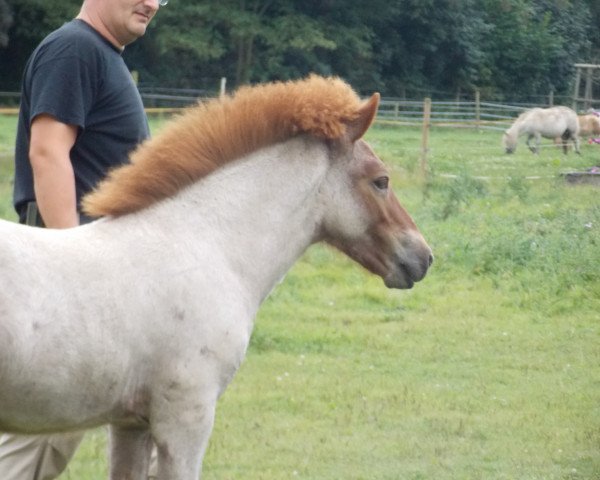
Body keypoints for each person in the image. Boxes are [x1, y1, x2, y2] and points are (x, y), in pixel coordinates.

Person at [0, 0, 167, 478]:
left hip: (93, 280)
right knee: (38, 444)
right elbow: (49, 152)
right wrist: (74, 267)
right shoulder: (74, 49)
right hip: (72, 280)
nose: (153, 3)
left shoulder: (103, 56)